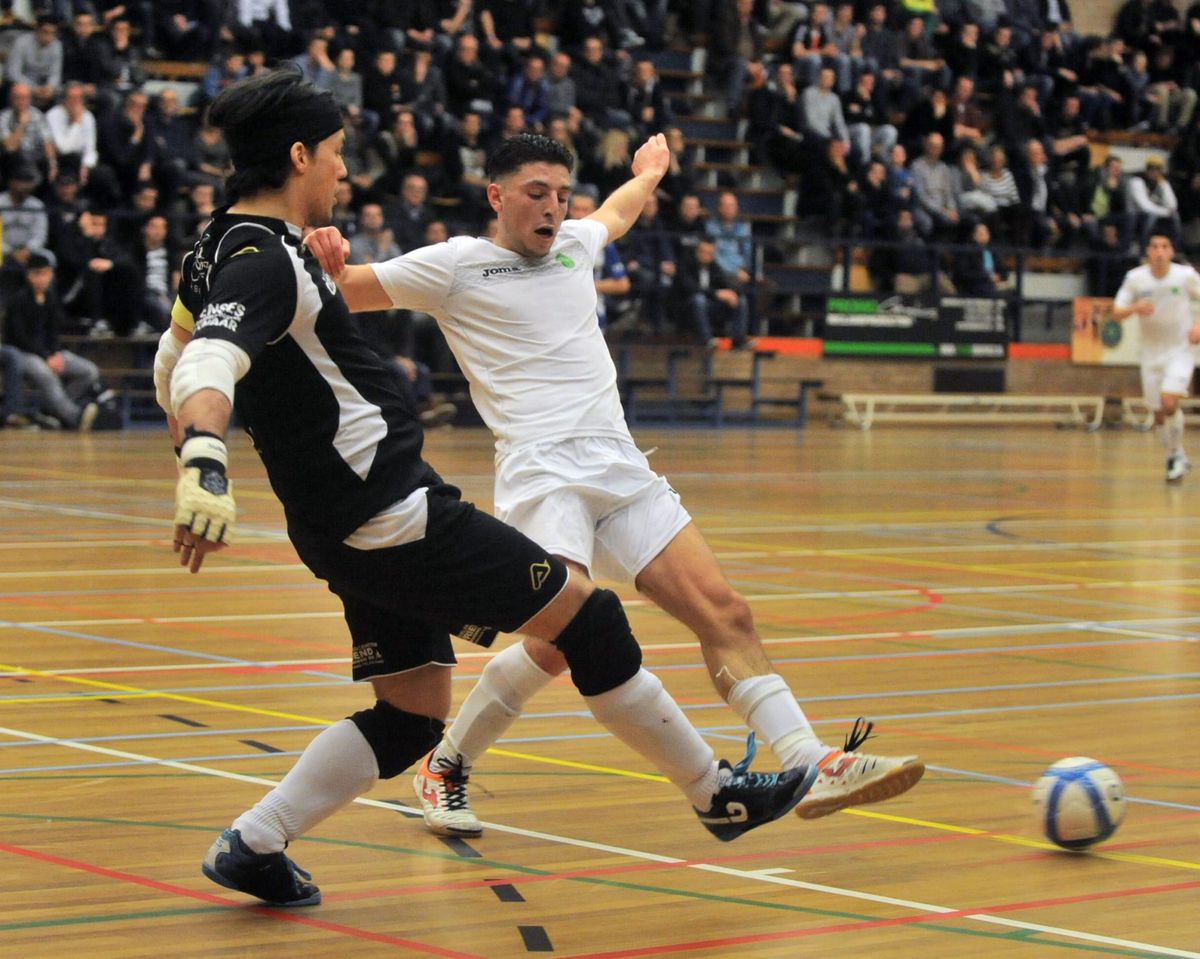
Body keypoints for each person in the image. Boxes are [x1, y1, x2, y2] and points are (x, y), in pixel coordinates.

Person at [155, 69, 816, 908]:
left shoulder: (214, 244)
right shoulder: (269, 259)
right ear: (297, 157)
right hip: (393, 514)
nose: (342, 173)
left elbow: (176, 353)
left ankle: (254, 844)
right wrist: (205, 454)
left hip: (338, 527)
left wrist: (185, 423)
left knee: (411, 711)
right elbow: (212, 359)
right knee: (590, 618)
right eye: (333, 157)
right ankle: (715, 792)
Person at [306, 131, 925, 840]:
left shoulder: (575, 243)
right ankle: (444, 766)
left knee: (726, 611)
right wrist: (321, 253)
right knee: (558, 641)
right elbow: (346, 288)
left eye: (562, 194)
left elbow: (620, 212)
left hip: (621, 466)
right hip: (542, 474)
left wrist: (652, 171)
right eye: (536, 193)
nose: (553, 207)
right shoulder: (454, 266)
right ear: (497, 196)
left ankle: (811, 761)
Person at [1112, 232, 1200, 483]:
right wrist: (1135, 308)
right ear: (1148, 251)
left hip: (1180, 350)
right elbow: (1117, 312)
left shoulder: (1184, 276)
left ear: (1171, 251)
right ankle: (1177, 452)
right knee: (1159, 413)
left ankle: (1174, 457)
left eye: (1165, 246)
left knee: (1169, 401)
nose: (1160, 251)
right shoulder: (1135, 279)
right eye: (1154, 246)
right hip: (1150, 353)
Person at [2, 250, 99, 431]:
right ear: (29, 275)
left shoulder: (51, 299)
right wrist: (46, 356)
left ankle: (53, 409)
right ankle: (75, 416)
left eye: (46, 273)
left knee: (88, 371)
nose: (43, 279)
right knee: (47, 376)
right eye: (38, 274)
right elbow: (19, 337)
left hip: (49, 352)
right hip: (25, 354)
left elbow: (54, 332)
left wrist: (55, 354)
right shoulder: (18, 300)